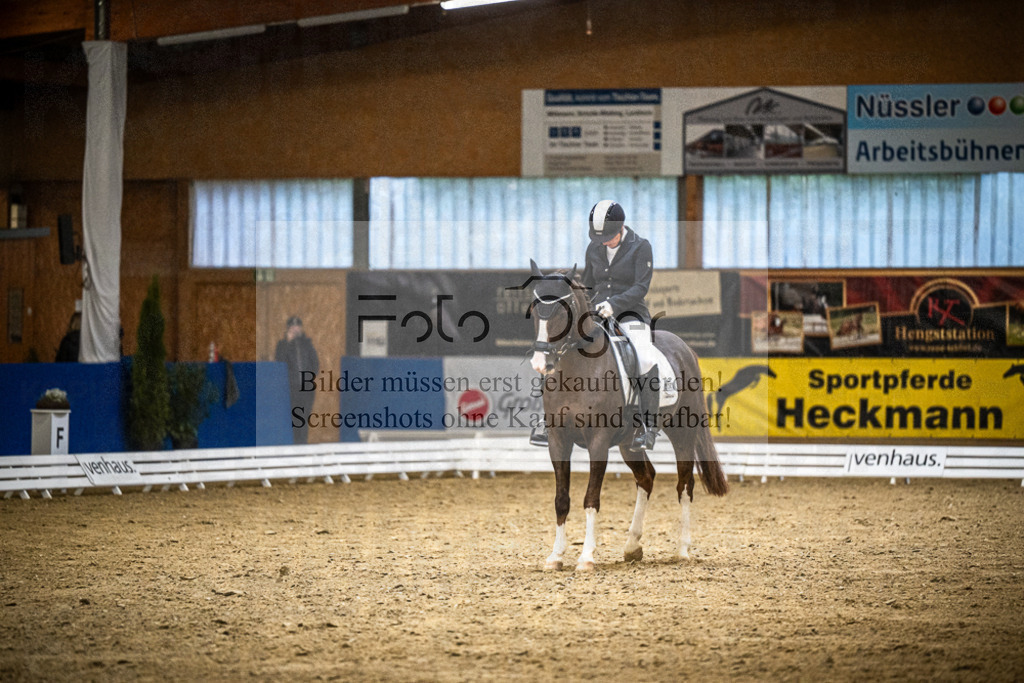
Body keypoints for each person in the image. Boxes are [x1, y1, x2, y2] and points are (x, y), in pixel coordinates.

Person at [530, 200, 661, 452]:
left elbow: (641, 287)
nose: (604, 242)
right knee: (559, 348)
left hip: (631, 313)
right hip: (597, 311)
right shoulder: (594, 247)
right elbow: (589, 283)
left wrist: (614, 304)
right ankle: (550, 422)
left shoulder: (641, 247)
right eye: (600, 238)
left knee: (644, 357)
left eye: (609, 237)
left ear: (621, 227)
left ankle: (648, 426)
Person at [275, 315, 319, 444]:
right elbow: (280, 362)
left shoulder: (308, 344)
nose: (295, 329)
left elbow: (315, 363)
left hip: (307, 389)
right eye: (292, 326)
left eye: (297, 326)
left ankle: (302, 446)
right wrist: (287, 342)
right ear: (288, 328)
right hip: (291, 389)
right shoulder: (282, 345)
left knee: (304, 419)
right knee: (294, 419)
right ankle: (294, 446)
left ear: (301, 328)